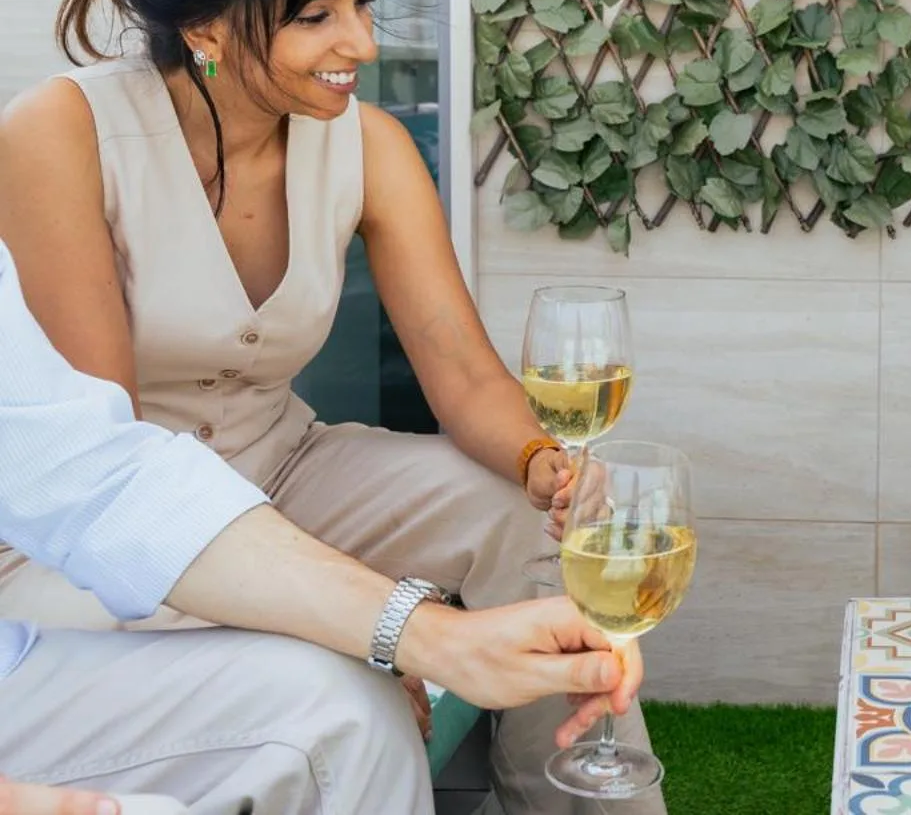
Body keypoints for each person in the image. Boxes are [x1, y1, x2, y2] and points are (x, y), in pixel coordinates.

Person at [0, 0, 661, 814]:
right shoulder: (58, 134)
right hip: (103, 545)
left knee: (534, 518)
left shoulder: (370, 143)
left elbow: (466, 378)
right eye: (317, 15)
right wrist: (372, 630)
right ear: (207, 27)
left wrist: (540, 461)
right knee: (338, 677)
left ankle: (578, 798)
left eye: (361, 2)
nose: (360, 38)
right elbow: (114, 464)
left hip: (288, 467)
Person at [0, 235, 642, 814]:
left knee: (358, 710)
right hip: (69, 569)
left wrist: (421, 633)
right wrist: (358, 636)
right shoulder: (60, 129)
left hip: (268, 473)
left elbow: (101, 479)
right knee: (351, 684)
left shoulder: (359, 139)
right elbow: (111, 531)